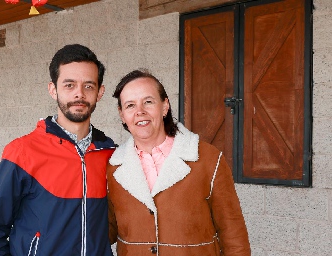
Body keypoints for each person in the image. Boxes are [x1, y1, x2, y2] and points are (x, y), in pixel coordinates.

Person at [0, 44, 116, 256]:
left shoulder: (111, 155)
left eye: (88, 86)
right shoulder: (21, 152)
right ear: (53, 89)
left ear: (100, 92)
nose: (79, 94)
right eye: (69, 85)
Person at [107, 69, 251, 255]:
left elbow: (234, 236)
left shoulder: (208, 159)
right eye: (130, 106)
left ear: (165, 106)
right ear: (122, 115)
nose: (139, 112)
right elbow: (104, 233)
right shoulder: (113, 167)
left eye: (148, 102)